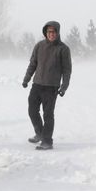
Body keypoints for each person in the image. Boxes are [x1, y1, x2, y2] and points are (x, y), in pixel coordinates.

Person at [22, 21, 72, 150]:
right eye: (49, 32)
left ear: (58, 33)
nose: (51, 34)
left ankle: (47, 141)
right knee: (32, 111)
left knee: (48, 114)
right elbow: (33, 64)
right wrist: (26, 79)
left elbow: (67, 70)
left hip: (51, 87)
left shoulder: (63, 49)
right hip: (37, 84)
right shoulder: (39, 46)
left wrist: (64, 86)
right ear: (45, 32)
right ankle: (39, 133)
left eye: (54, 32)